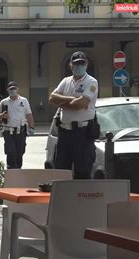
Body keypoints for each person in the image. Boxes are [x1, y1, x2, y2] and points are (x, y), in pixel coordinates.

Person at [49, 51, 98, 179]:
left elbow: (80, 104)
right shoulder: (66, 81)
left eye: (82, 63)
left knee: (82, 172)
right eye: (76, 64)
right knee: (61, 172)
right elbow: (52, 98)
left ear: (86, 65)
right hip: (64, 132)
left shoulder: (91, 82)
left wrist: (63, 102)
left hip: (82, 133)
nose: (79, 66)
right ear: (71, 65)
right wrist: (72, 98)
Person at [0, 81, 35, 169]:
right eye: (11, 89)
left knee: (20, 153)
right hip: (8, 131)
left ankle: (18, 171)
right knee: (11, 153)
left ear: (17, 89)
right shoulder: (4, 102)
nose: (12, 90)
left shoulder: (24, 101)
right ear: (7, 90)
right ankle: (11, 172)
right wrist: (2, 116)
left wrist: (31, 127)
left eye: (14, 89)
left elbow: (29, 115)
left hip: (21, 131)